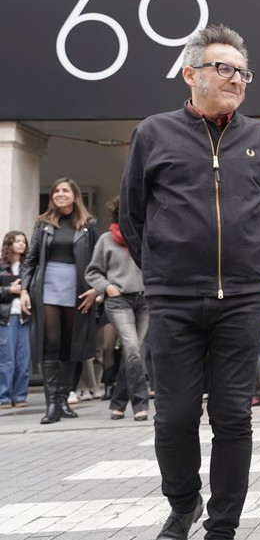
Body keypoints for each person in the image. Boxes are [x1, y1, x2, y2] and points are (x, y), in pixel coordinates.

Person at [120, 23, 260, 540]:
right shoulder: (153, 133)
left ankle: (221, 533)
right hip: (174, 299)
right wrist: (163, 271)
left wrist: (253, 269)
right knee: (174, 417)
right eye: (224, 69)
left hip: (241, 298)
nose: (236, 79)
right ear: (191, 74)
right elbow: (133, 214)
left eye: (243, 72)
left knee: (234, 417)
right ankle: (182, 505)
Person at [19, 178, 99, 425]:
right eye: (56, 191)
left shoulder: (89, 224)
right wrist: (24, 290)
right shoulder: (43, 224)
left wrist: (95, 289)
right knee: (51, 342)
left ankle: (64, 399)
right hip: (48, 286)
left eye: (65, 190)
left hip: (77, 287)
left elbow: (98, 261)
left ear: (75, 195)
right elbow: (30, 260)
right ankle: (52, 404)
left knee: (70, 344)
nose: (59, 194)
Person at [86, 196, 150, 421]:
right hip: (119, 300)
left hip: (145, 301)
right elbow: (92, 272)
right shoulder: (106, 240)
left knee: (134, 352)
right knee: (132, 348)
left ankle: (118, 403)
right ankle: (140, 403)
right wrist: (107, 287)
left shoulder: (146, 236)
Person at [0, 231, 31, 409]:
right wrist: (9, 291)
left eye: (23, 241)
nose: (21, 244)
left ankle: (20, 395)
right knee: (6, 359)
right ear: (9, 244)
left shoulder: (29, 266)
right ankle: (3, 397)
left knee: (23, 359)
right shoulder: (1, 266)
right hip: (6, 317)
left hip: (25, 317)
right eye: (17, 241)